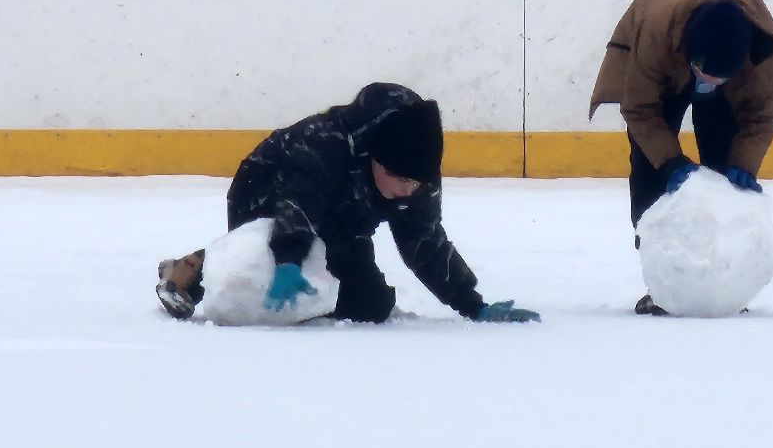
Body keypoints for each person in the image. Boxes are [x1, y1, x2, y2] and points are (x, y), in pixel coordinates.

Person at [156, 82, 540, 325]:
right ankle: (194, 268)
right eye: (401, 180)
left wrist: (473, 305)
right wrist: (288, 258)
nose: (408, 192)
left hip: (339, 220)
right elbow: (299, 200)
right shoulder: (328, 141)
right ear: (375, 159)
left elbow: (425, 243)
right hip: (269, 192)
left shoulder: (416, 177)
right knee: (263, 268)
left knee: (368, 305)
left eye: (416, 184)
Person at [589, 0, 773, 314]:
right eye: (701, 73)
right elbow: (640, 109)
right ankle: (663, 282)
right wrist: (669, 163)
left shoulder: (761, 53)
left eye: (716, 79)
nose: (705, 84)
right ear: (690, 58)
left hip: (721, 71)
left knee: (724, 171)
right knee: (650, 169)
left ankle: (723, 280)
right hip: (660, 61)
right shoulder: (657, 32)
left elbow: (759, 118)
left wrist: (742, 165)